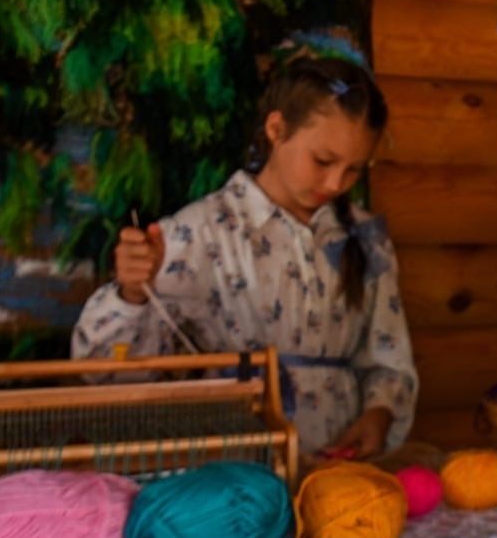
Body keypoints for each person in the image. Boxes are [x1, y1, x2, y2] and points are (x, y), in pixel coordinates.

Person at [73, 55, 419, 460]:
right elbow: (105, 372)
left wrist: (380, 413)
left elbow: (388, 352)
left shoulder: (364, 238)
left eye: (354, 170)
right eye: (323, 161)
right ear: (276, 129)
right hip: (234, 469)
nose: (335, 183)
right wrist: (131, 292)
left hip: (341, 469)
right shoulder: (198, 234)